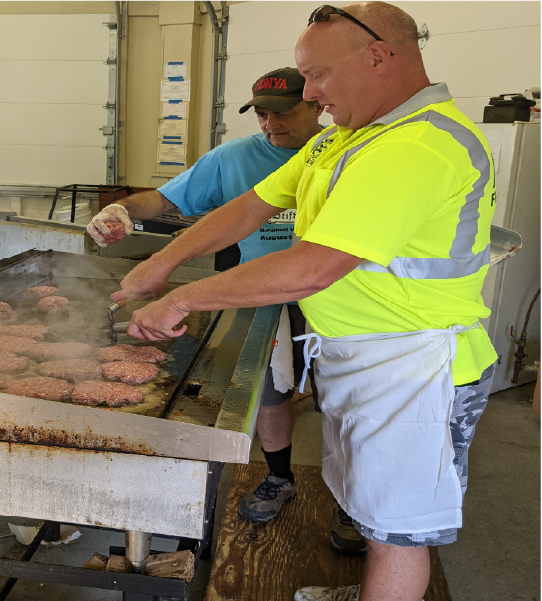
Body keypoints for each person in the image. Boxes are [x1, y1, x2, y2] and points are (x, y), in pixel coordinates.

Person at [109, 3, 498, 600]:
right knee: (364, 503)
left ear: (377, 56)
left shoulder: (419, 145)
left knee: (398, 530)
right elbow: (251, 205)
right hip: (361, 357)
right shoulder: (345, 139)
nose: (310, 94)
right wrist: (162, 261)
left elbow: (311, 268)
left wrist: (184, 298)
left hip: (416, 367)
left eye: (317, 75)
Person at [86, 69, 363, 547]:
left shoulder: (344, 154)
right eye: (261, 113)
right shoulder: (234, 158)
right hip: (253, 295)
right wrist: (123, 211)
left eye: (284, 112)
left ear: (316, 105)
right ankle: (280, 477)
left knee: (344, 400)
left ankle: (354, 505)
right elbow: (169, 198)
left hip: (336, 295)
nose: (270, 124)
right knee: (270, 392)